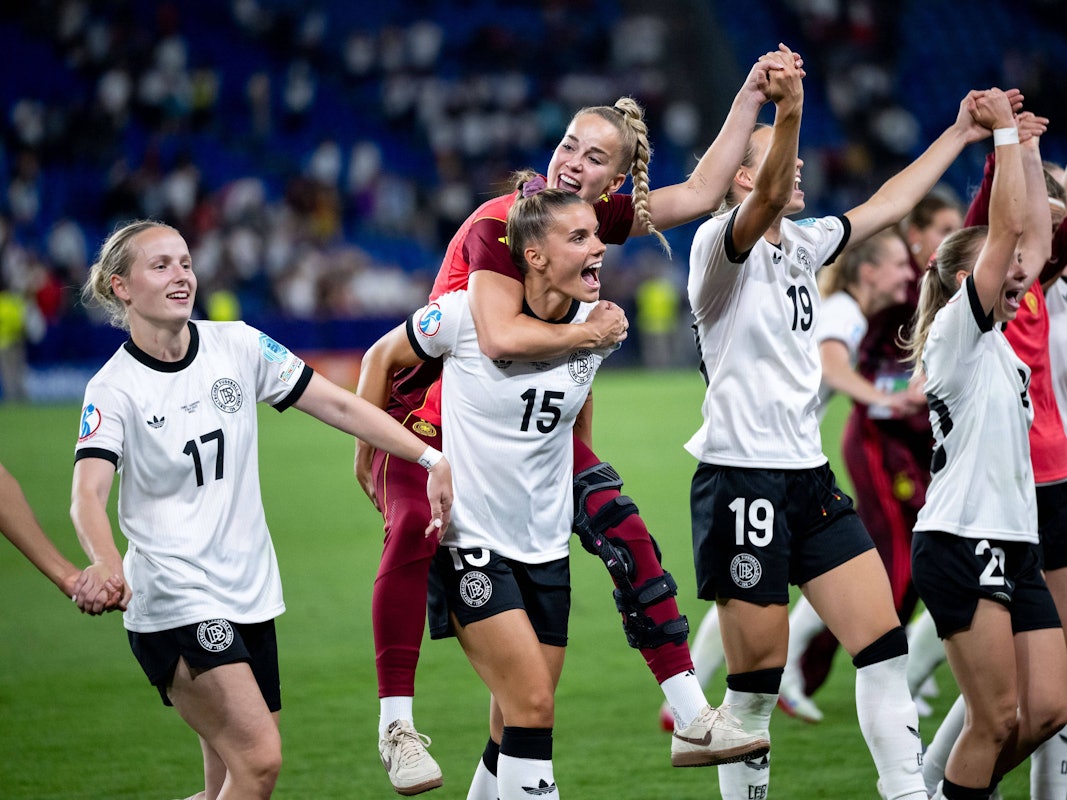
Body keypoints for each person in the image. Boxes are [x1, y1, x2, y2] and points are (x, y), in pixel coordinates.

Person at [355, 49, 794, 795]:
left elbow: (699, 189)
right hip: (429, 422)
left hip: (522, 435)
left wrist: (752, 92)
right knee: (410, 532)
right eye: (567, 145)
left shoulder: (581, 235)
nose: (572, 163)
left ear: (612, 187)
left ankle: (689, 712)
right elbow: (497, 338)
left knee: (614, 526)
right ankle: (395, 723)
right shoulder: (505, 225)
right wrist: (371, 440)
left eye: (594, 159)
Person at [685, 56, 1012, 799]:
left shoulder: (801, 245)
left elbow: (891, 203)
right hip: (742, 480)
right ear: (740, 179)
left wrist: (958, 134)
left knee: (882, 647)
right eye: (778, 162)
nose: (795, 170)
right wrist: (789, 106)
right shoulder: (717, 250)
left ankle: (904, 794)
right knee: (754, 691)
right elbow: (771, 192)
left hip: (807, 478)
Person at [69, 220, 454, 800]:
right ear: (122, 288)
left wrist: (427, 457)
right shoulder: (113, 388)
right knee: (259, 761)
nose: (181, 276)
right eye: (161, 266)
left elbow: (341, 407)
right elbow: (87, 493)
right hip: (175, 597)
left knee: (230, 780)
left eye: (185, 262)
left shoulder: (239, 344)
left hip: (248, 591)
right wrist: (104, 560)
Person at [673, 229, 926, 728]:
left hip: (794, 461)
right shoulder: (843, 313)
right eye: (900, 262)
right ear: (867, 270)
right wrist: (884, 400)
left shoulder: (841, 308)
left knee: (778, 589)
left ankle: (700, 693)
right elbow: (832, 368)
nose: (910, 271)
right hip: (761, 463)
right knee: (757, 597)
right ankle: (697, 695)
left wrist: (892, 389)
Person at [904, 95, 1067, 800]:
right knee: (994, 719)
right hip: (960, 539)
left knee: (1048, 709)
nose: (1022, 275)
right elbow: (1006, 231)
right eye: (1005, 269)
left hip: (1012, 537)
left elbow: (1027, 239)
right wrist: (1001, 136)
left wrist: (1025, 154)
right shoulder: (957, 334)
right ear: (969, 280)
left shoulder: (1001, 340)